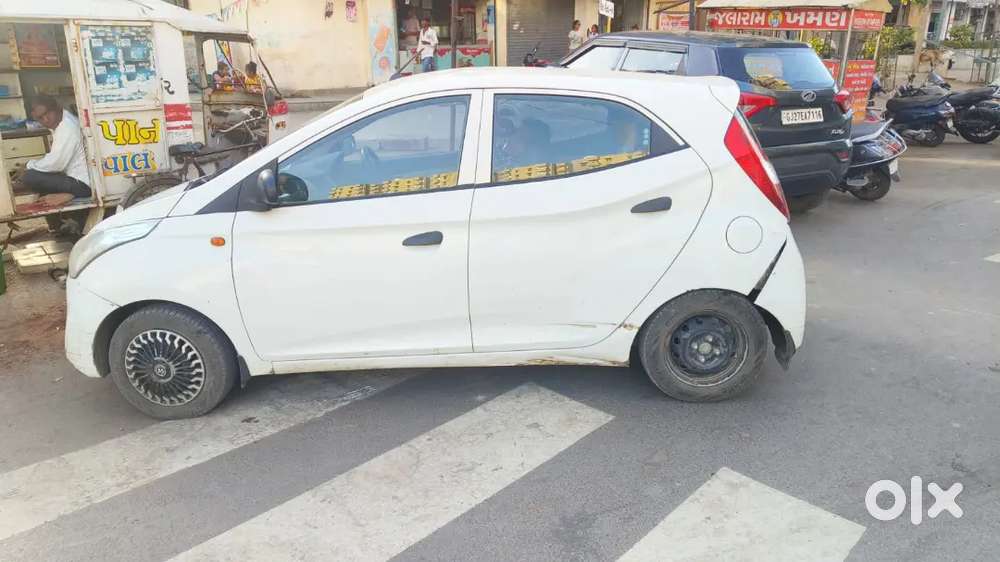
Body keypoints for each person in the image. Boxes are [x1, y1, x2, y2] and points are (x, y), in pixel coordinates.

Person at [15, 96, 91, 198]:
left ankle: (68, 195)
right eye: (40, 118)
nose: (46, 120)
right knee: (36, 174)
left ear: (57, 107)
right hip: (75, 178)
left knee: (30, 176)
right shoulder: (62, 122)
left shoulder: (67, 127)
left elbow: (56, 164)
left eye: (47, 113)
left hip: (83, 185)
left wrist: (29, 165)